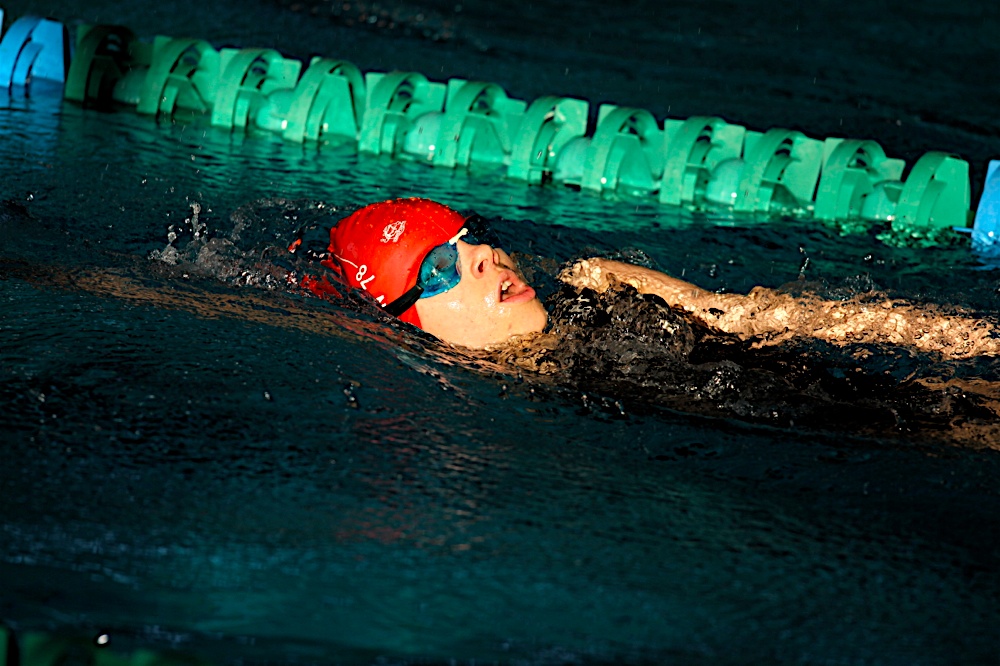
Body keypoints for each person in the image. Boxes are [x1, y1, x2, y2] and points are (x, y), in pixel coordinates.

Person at [301, 197, 1000, 361]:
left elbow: (752, 317)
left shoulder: (599, 288)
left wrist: (970, 338)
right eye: (440, 267)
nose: (483, 254)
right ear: (403, 321)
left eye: (469, 236)